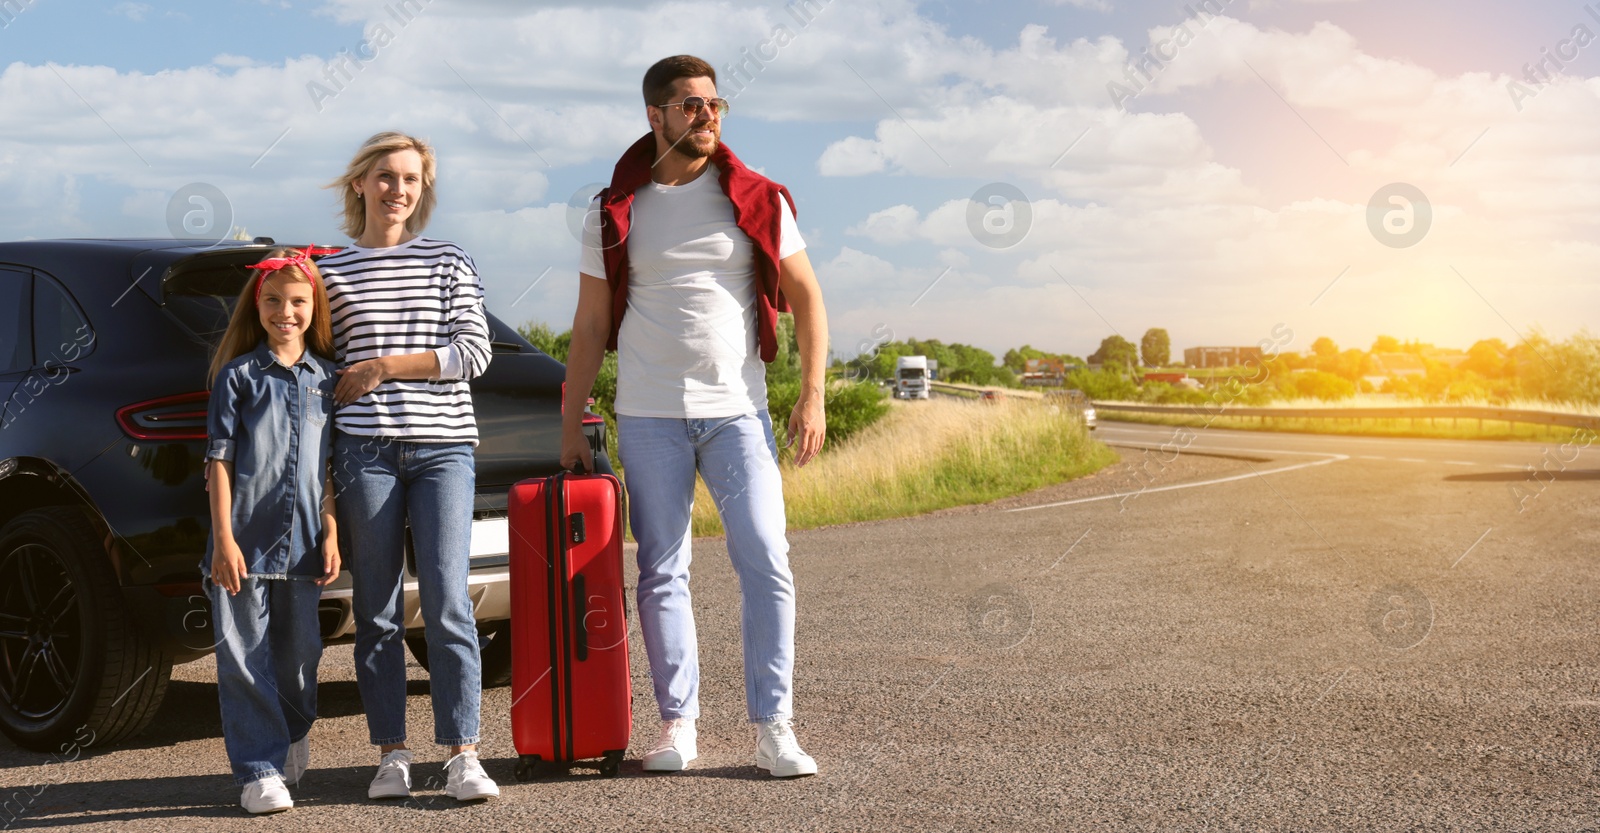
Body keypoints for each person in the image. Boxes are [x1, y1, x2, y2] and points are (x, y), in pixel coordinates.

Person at [561, 54, 829, 778]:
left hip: (738, 412)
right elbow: (589, 325)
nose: (707, 116)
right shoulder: (614, 209)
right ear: (655, 115)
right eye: (691, 106)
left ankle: (775, 726)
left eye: (716, 105)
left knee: (767, 559)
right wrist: (570, 418)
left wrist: (813, 391)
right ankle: (678, 725)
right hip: (647, 414)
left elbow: (806, 296)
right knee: (660, 571)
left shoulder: (758, 198)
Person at [319, 131, 499, 802]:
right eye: (386, 176)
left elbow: (473, 353)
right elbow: (324, 374)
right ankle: (391, 752)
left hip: (443, 449)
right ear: (360, 183)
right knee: (377, 608)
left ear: (423, 191)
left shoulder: (448, 259)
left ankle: (463, 754)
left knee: (450, 601)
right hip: (363, 452)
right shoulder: (331, 272)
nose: (398, 189)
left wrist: (386, 366)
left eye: (412, 179)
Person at [204, 247, 343, 814]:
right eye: (273, 301)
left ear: (314, 308)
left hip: (306, 545)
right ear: (256, 305)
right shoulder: (237, 377)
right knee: (243, 656)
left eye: (297, 302)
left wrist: (331, 531)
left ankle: (291, 730)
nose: (285, 312)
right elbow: (217, 462)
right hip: (242, 543)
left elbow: (328, 467)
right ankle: (258, 770)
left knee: (300, 655)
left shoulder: (328, 381)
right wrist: (223, 540)